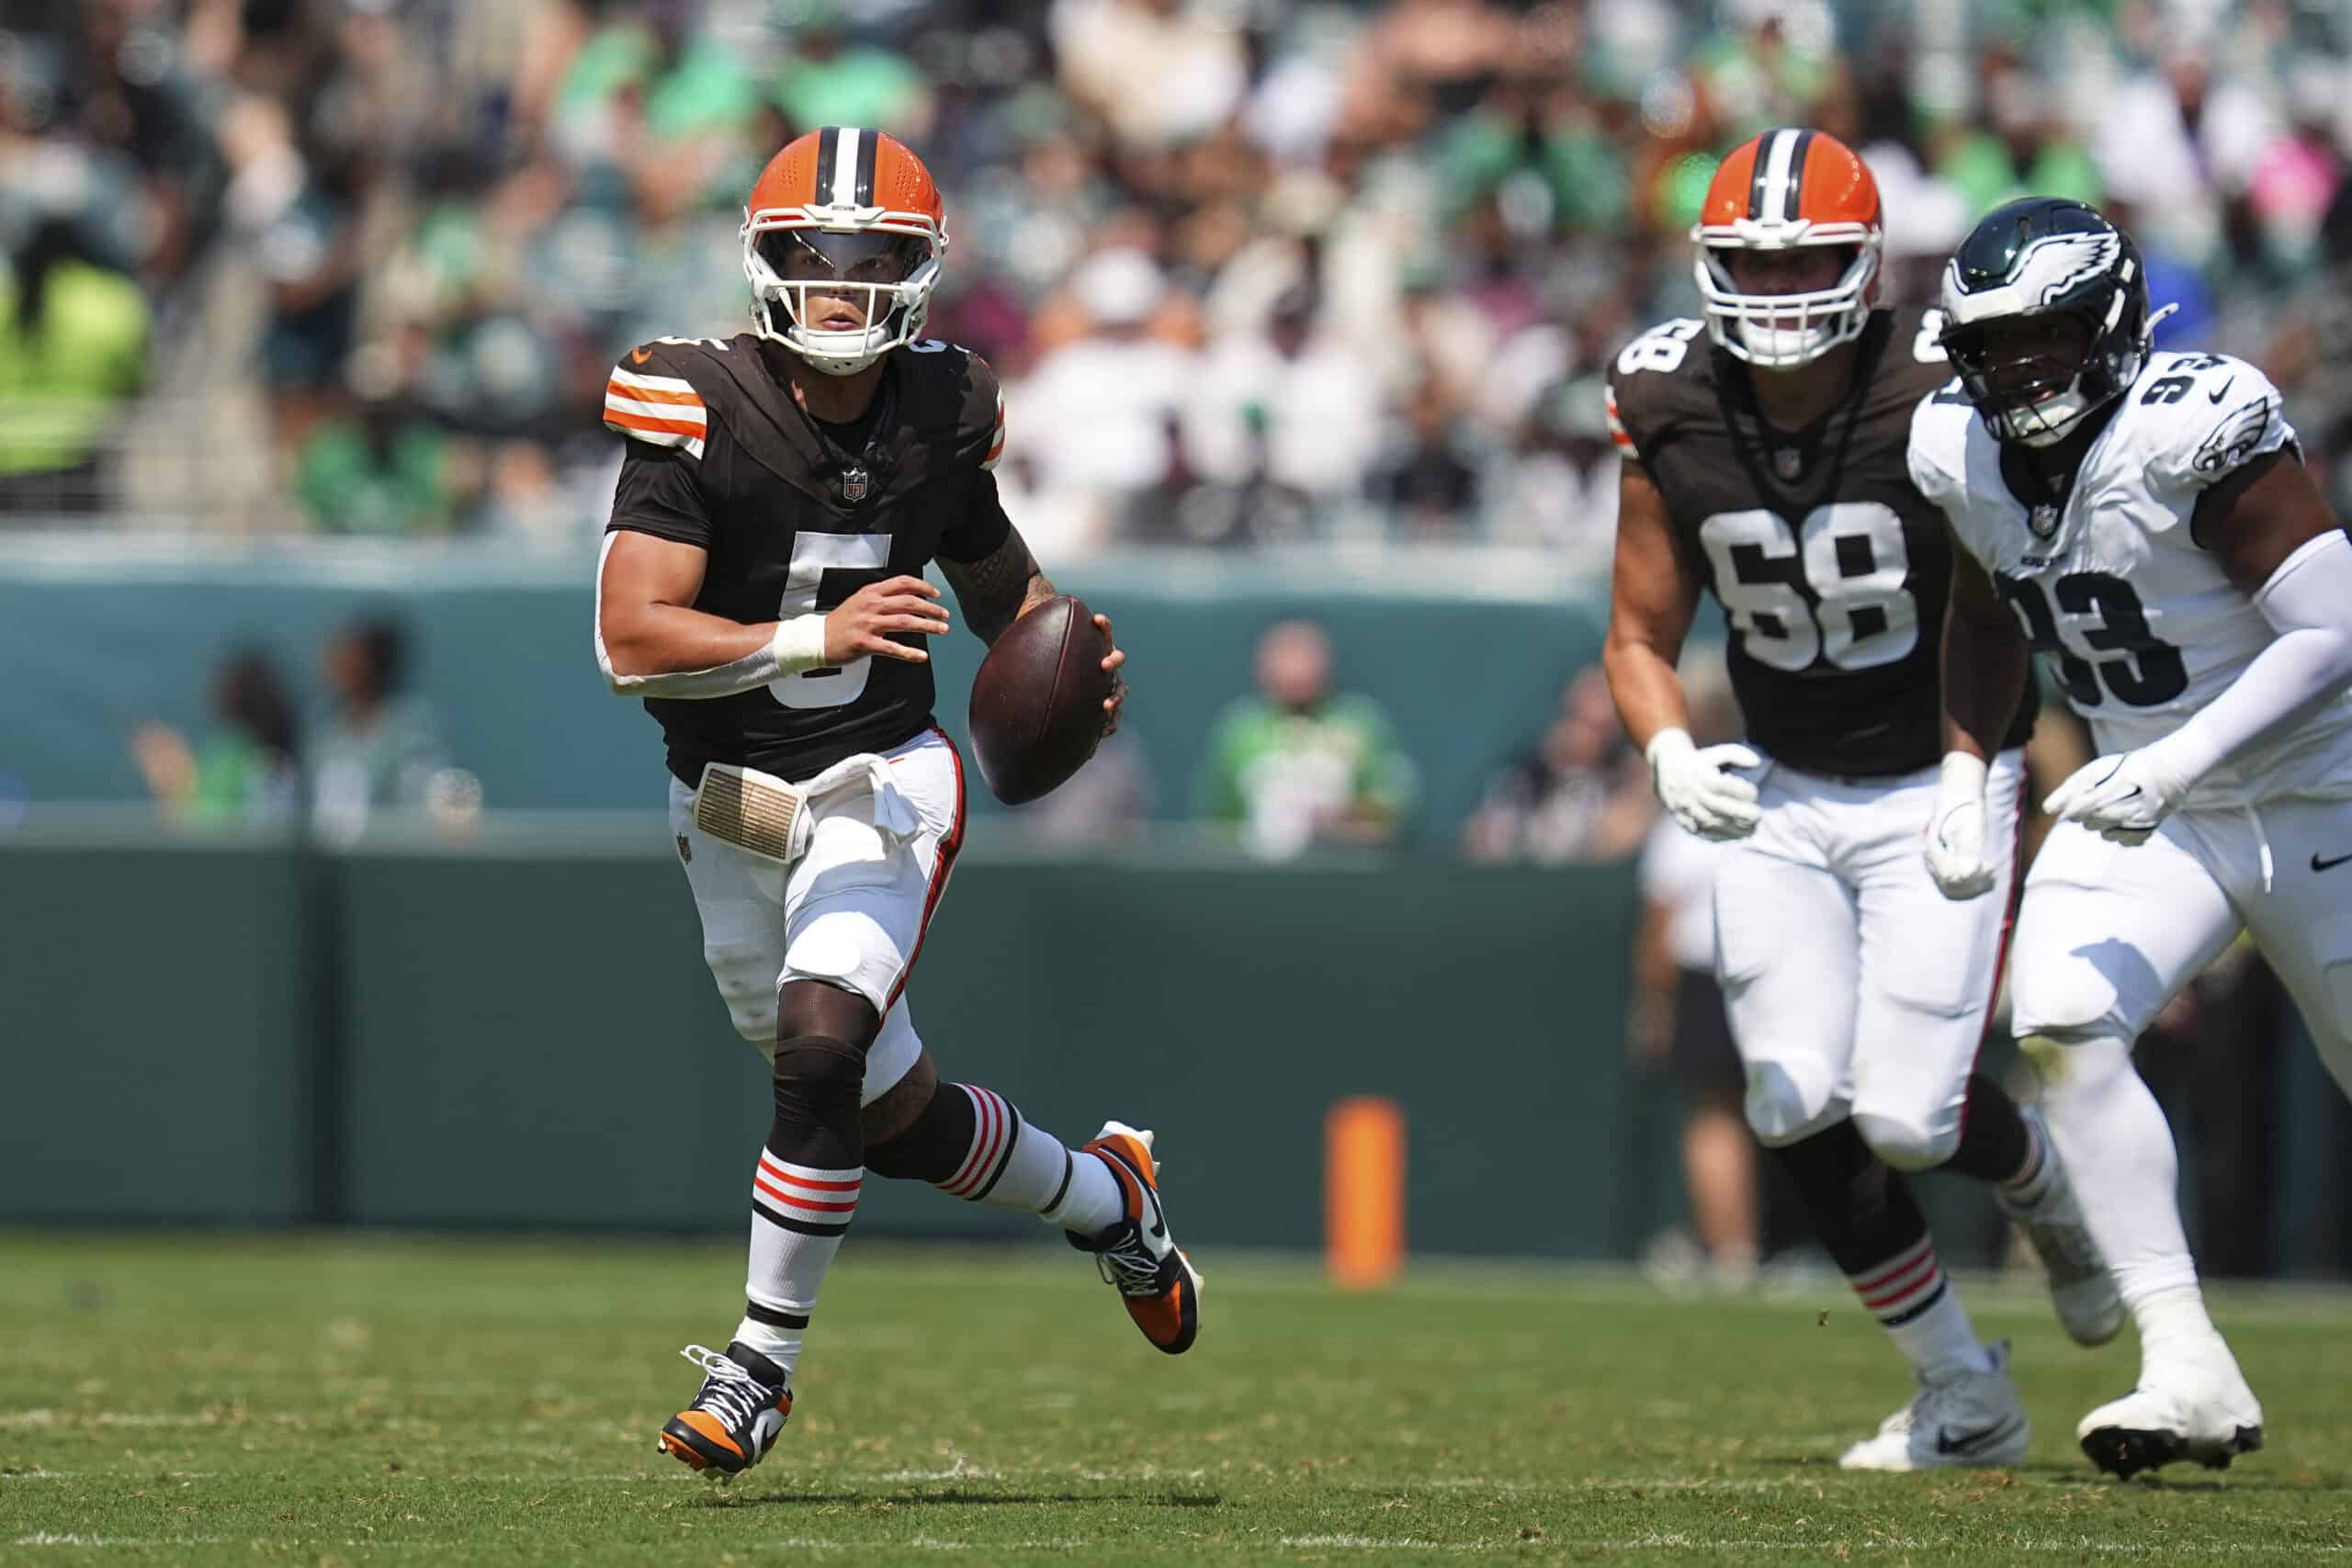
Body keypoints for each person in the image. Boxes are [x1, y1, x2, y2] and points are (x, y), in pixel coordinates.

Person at [594, 127, 1200, 1480]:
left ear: (918, 275)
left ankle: (757, 1366)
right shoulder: (692, 399)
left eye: (872, 260)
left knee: (819, 1041)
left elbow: (998, 582)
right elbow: (630, 643)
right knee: (882, 1109)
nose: (841, 286)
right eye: (815, 255)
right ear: (764, 264)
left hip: (882, 776)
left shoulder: (942, 409)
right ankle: (1110, 1195)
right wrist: (810, 636)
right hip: (730, 799)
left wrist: (1054, 650)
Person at [1600, 128, 2112, 1472]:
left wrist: (1974, 764)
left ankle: (2042, 1179)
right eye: (1749, 267)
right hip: (1780, 781)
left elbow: (2005, 604)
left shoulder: (1943, 388)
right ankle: (1962, 1386)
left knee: (1909, 1116)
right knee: (1785, 1098)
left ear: (1869, 263)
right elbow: (1639, 633)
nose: (1777, 294)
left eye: (1810, 260)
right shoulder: (1665, 396)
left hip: (1938, 772)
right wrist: (1663, 752)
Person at [1914, 196, 2352, 1478]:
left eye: (2044, 338)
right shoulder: (1960, 448)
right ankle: (2187, 1363)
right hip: (2151, 799)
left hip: (2319, 783)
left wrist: (2168, 760)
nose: (2018, 372)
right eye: (1992, 348)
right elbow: (1986, 619)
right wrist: (1961, 772)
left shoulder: (2193, 420)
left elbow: (2332, 630)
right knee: (2054, 1015)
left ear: (2108, 320)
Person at [1193, 619, 1418, 860]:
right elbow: (1212, 823)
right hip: (1260, 871)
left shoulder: (1361, 722)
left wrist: (1341, 818)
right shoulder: (1240, 729)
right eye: (1285, 654)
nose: (1296, 666)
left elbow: (1397, 804)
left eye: (1305, 653)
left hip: (1343, 868)